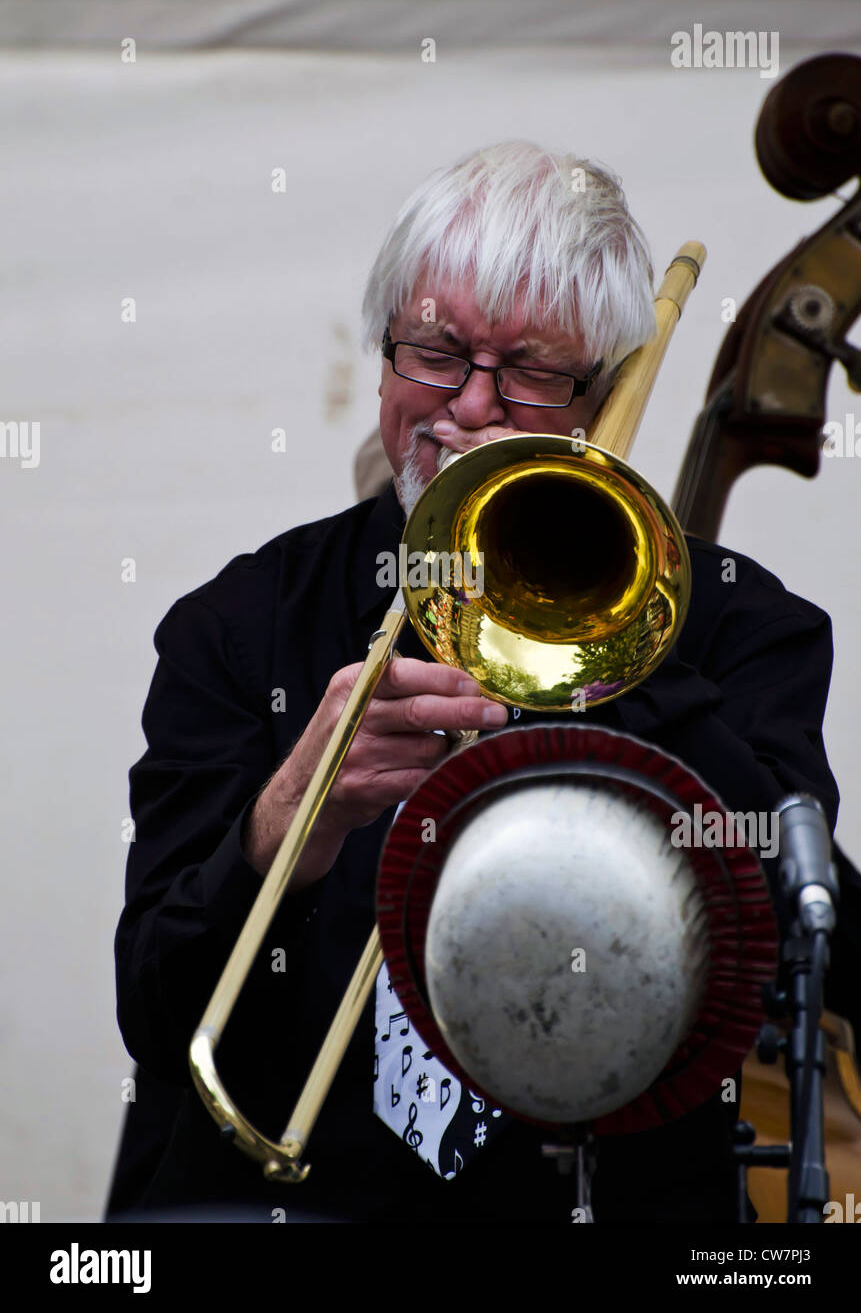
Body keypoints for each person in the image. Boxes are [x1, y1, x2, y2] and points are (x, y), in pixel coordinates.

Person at [108, 140, 848, 1224]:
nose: (471, 406)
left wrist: (627, 666)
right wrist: (290, 822)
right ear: (384, 351)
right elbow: (155, 1011)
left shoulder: (743, 630)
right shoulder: (238, 624)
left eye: (534, 370)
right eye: (435, 351)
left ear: (600, 395)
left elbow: (815, 949)